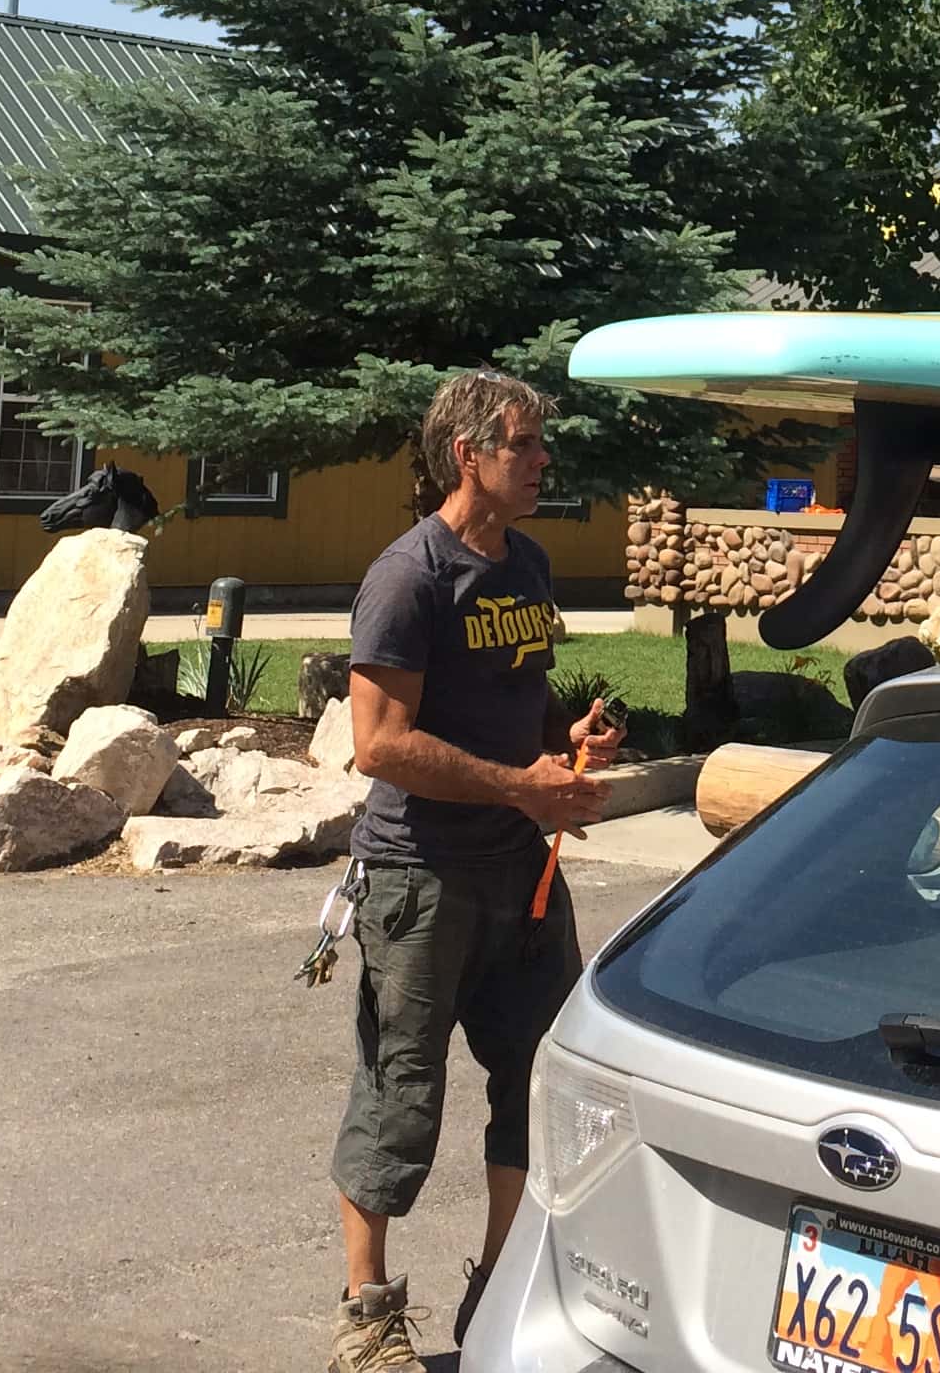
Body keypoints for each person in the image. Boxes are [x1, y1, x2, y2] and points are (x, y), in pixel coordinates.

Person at [331, 369, 619, 1373]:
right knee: (400, 1095)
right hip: (421, 880)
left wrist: (565, 742)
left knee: (542, 1083)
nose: (543, 462)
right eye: (525, 446)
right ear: (469, 456)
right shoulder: (409, 578)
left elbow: (518, 708)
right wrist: (517, 787)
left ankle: (499, 1293)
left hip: (523, 877)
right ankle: (365, 1319)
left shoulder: (528, 564)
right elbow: (379, 745)